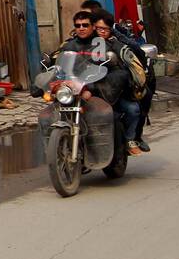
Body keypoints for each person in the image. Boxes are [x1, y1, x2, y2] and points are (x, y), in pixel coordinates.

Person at [60, 11, 141, 156]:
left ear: (92, 27)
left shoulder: (108, 46)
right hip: (73, 91)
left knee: (124, 112)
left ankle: (125, 143)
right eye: (78, 25)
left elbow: (119, 73)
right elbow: (59, 66)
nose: (81, 28)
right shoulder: (69, 46)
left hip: (104, 93)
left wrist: (93, 88)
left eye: (85, 25)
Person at [94, 10, 153, 154]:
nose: (101, 32)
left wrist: (129, 79)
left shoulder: (119, 44)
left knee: (135, 108)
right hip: (87, 88)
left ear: (110, 28)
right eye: (98, 28)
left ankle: (132, 138)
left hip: (113, 91)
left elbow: (135, 57)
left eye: (105, 29)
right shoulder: (80, 42)